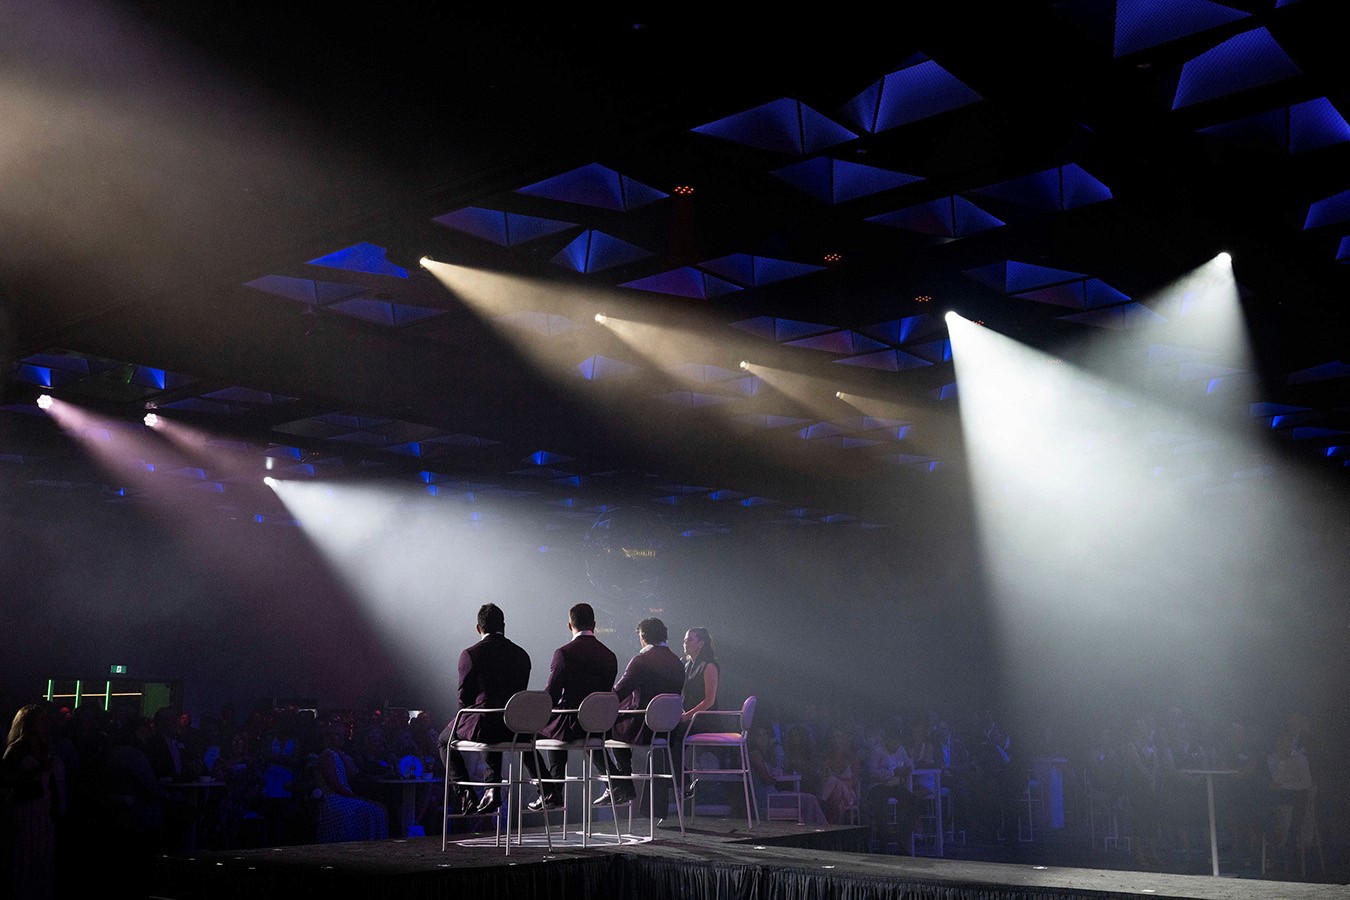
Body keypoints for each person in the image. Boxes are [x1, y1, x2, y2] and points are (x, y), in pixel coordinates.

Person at [437, 602, 531, 816]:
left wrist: (462, 720)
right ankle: (492, 788)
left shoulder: (470, 654)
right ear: (503, 626)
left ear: (478, 628)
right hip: (514, 728)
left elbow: (463, 697)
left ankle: (465, 793)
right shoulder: (521, 654)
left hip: (486, 724)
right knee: (490, 721)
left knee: (444, 740)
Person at [526, 603, 617, 811]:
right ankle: (555, 790)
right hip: (599, 726)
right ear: (594, 624)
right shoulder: (609, 655)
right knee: (553, 726)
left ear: (569, 626)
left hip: (572, 724)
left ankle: (549, 789)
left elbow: (551, 694)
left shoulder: (564, 653)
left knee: (527, 735)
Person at [594, 617, 685, 811]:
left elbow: (618, 694)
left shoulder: (642, 661)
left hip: (644, 728)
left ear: (643, 636)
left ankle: (619, 783)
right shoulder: (677, 662)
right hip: (668, 730)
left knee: (595, 732)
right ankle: (623, 781)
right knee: (617, 722)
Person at [4, 704, 64, 900]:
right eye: (42, 719)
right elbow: (6, 779)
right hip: (26, 807)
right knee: (25, 855)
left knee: (40, 856)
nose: (47, 723)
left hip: (42, 808)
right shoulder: (17, 748)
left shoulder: (44, 745)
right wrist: (37, 769)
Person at [314, 722, 389, 842]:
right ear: (328, 737)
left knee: (378, 809)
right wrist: (356, 797)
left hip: (343, 795)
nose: (342, 738)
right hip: (332, 798)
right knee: (373, 810)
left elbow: (353, 772)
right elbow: (336, 786)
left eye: (342, 735)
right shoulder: (327, 756)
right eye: (337, 735)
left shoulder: (337, 754)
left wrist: (343, 755)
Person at [675, 627, 720, 801]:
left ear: (701, 643)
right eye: (685, 640)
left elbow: (709, 701)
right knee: (666, 735)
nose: (685, 643)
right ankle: (682, 782)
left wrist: (687, 716)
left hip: (704, 719)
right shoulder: (686, 664)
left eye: (690, 640)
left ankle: (684, 783)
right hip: (689, 717)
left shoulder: (708, 666)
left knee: (674, 736)